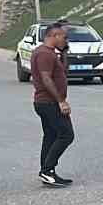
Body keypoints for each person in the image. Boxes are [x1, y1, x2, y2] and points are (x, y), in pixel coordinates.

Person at [30, 20, 75, 187]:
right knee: (66, 134)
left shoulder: (50, 53)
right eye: (64, 37)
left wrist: (63, 52)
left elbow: (63, 72)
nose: (66, 40)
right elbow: (46, 78)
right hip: (48, 102)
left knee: (51, 136)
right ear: (53, 35)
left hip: (46, 102)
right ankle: (47, 170)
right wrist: (61, 101)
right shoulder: (44, 54)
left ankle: (48, 171)